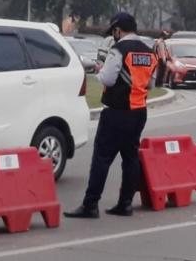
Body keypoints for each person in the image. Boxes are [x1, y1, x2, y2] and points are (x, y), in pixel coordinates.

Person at [65, 12, 157, 219]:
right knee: (131, 158)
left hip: (117, 112)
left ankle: (90, 205)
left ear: (117, 30)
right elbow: (150, 84)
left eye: (114, 31)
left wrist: (99, 70)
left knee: (102, 159)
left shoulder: (119, 49)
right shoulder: (148, 51)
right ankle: (125, 204)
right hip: (139, 112)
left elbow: (107, 79)